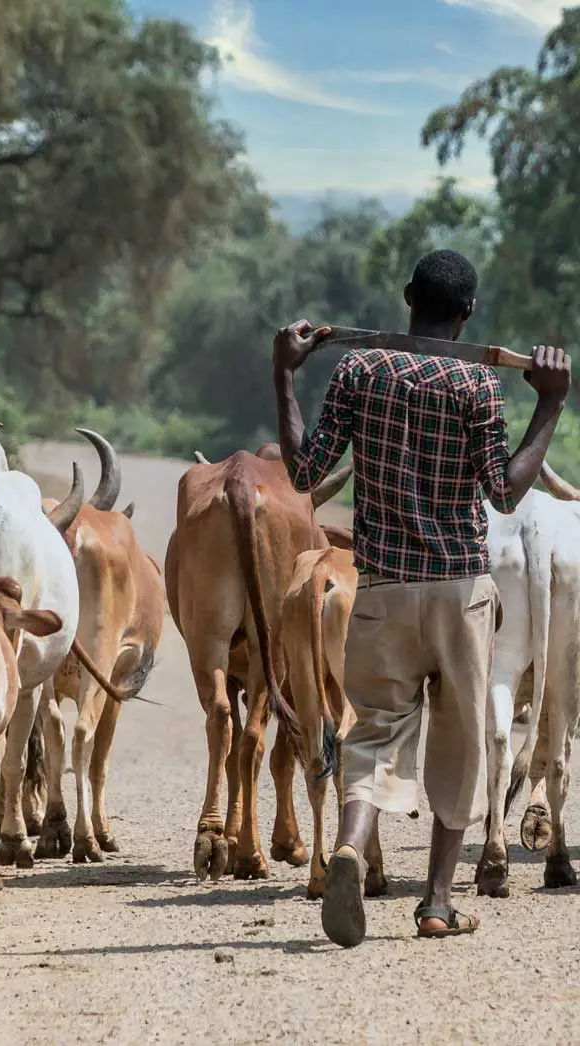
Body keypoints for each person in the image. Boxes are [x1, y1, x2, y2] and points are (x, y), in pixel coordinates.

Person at [272, 248, 571, 947]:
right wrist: (551, 405)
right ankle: (436, 903)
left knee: (372, 732)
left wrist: (283, 376)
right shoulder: (477, 386)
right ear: (468, 313)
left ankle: (349, 845)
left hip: (379, 586)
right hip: (460, 589)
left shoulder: (356, 370)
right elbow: (503, 490)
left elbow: (305, 471)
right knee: (462, 743)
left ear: (407, 297)